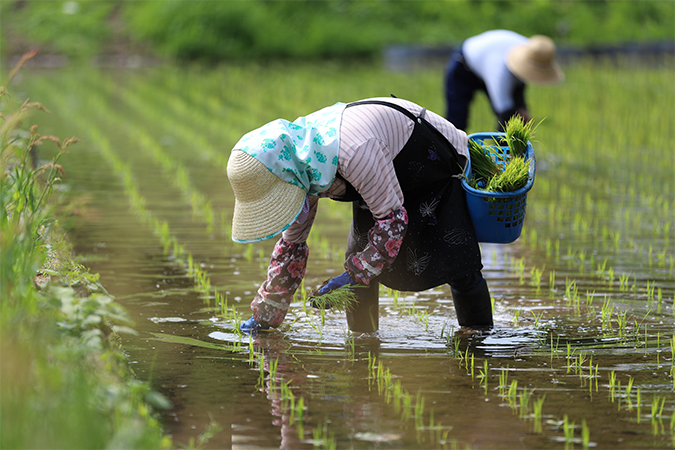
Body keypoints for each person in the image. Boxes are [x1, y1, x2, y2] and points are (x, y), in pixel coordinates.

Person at [227, 97, 493, 333]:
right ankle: (363, 344)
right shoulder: (301, 168)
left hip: (429, 161)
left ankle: (479, 337)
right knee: (359, 253)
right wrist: (266, 315)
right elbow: (292, 246)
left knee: (457, 259)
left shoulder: (354, 152)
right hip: (380, 170)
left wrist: (353, 276)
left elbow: (391, 224)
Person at [444, 30, 564, 132]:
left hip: (493, 62)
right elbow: (504, 110)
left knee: (518, 119)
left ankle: (507, 156)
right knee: (456, 122)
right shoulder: (499, 70)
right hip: (465, 65)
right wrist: (515, 114)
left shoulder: (537, 52)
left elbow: (518, 85)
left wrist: (521, 109)